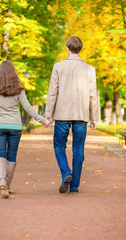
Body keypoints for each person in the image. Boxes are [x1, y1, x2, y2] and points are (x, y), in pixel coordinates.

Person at [0, 60, 49, 198]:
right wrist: (43, 120)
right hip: (15, 127)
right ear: (14, 73)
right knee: (11, 155)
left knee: (0, 153)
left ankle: (2, 182)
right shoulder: (19, 88)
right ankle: (8, 185)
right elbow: (28, 108)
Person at [45, 36, 98, 194]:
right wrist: (94, 118)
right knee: (78, 148)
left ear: (67, 48)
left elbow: (52, 92)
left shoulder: (58, 67)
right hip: (81, 114)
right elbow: (92, 95)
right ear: (79, 49)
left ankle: (66, 172)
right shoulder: (89, 69)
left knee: (59, 146)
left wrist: (48, 114)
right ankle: (74, 186)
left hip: (62, 114)